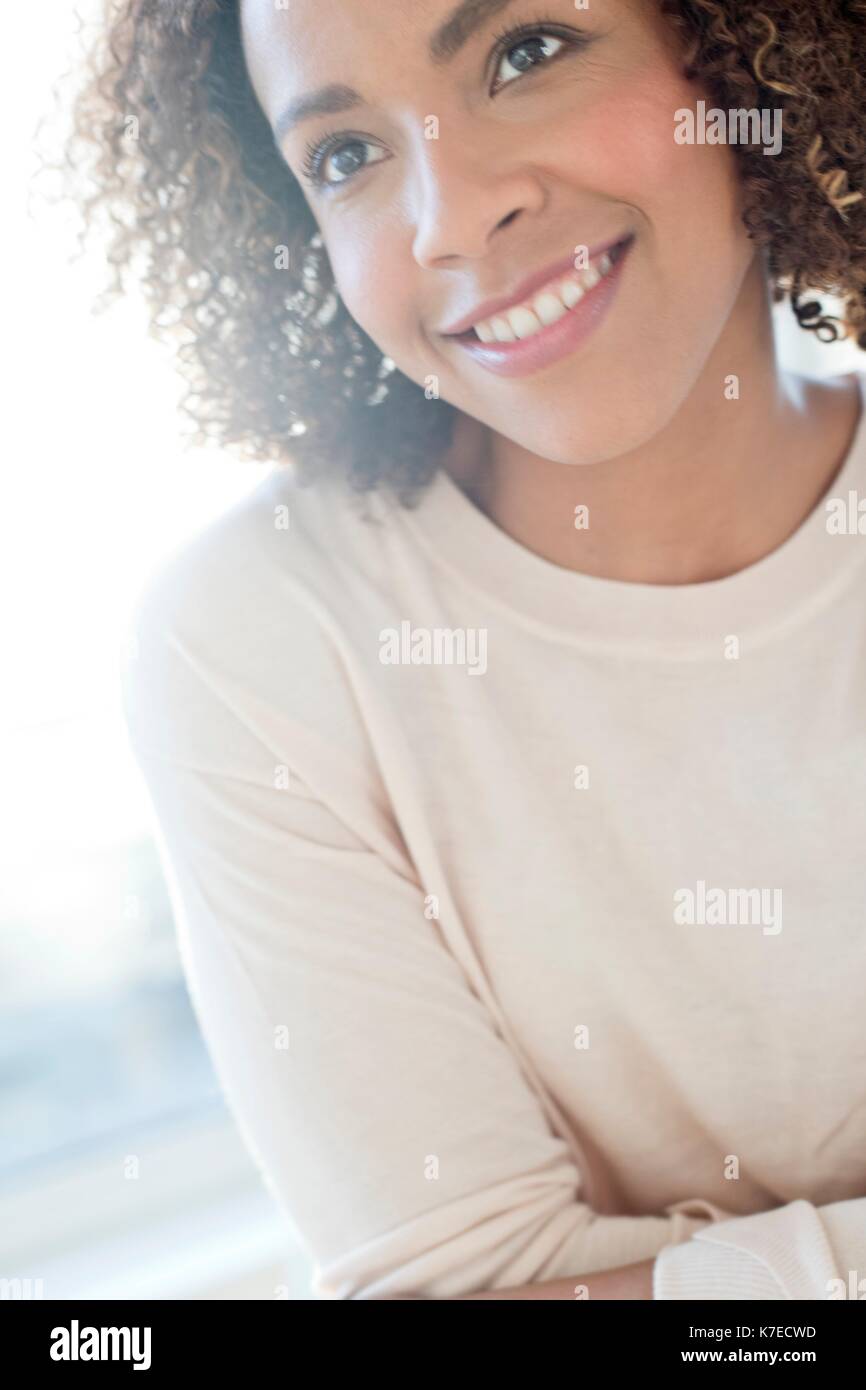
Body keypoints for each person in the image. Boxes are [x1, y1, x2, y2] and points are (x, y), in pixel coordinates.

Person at [70, 0, 866, 1298]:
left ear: (735, 47)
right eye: (345, 155)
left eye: (525, 55)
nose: (448, 217)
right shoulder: (264, 639)